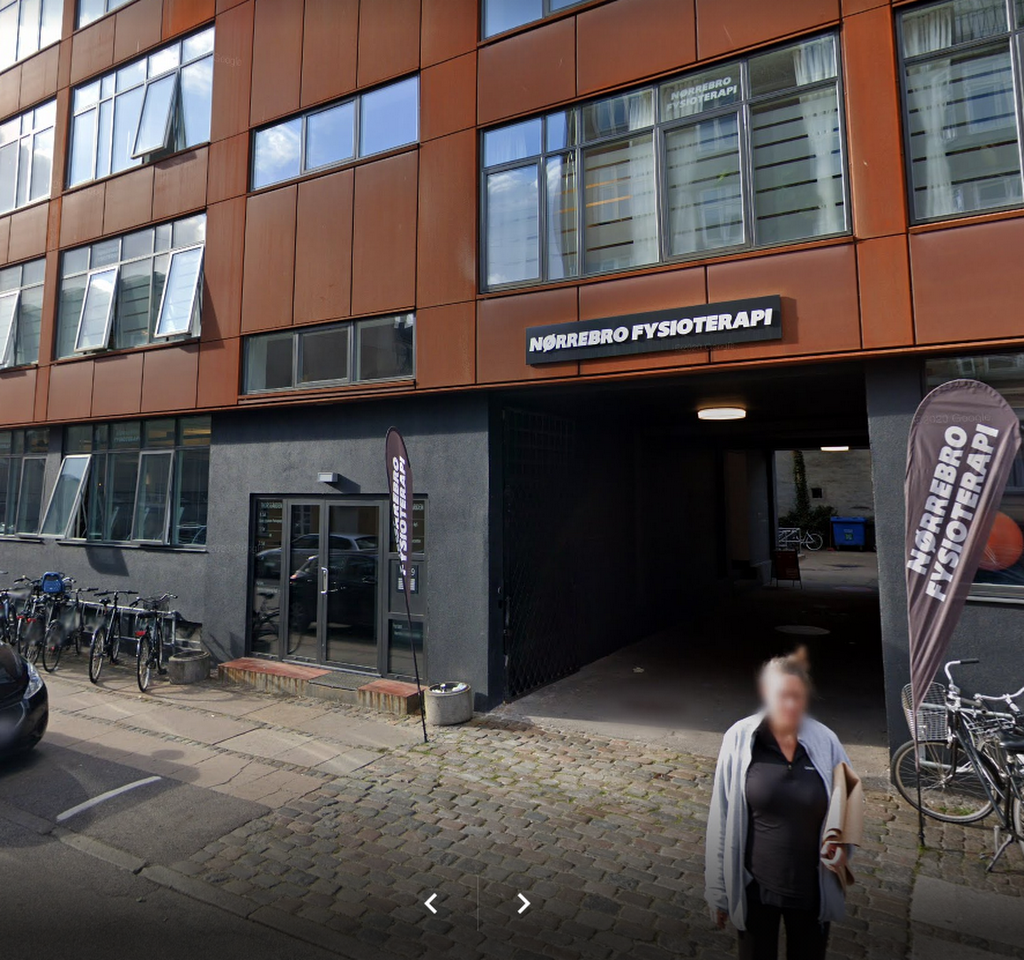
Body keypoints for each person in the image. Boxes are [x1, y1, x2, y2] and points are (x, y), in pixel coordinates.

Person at [705, 650, 853, 960]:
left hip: (812, 890)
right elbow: (721, 816)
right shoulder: (740, 738)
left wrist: (842, 847)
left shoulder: (826, 742)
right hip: (755, 889)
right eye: (781, 696)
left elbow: (850, 803)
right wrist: (717, 891)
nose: (789, 705)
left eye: (796, 696)